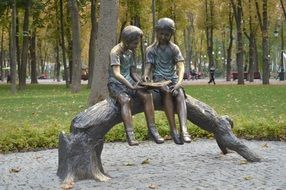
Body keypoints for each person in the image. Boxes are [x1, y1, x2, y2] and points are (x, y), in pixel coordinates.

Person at [108, 25, 164, 146]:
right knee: (125, 100)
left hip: (130, 82)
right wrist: (131, 87)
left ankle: (152, 130)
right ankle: (130, 134)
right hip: (116, 84)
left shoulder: (130, 52)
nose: (136, 46)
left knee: (147, 95)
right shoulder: (115, 52)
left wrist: (142, 81)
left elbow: (132, 72)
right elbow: (117, 74)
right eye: (135, 43)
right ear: (126, 41)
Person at [142, 17, 191, 145]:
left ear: (171, 35)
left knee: (179, 94)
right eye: (161, 34)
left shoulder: (174, 48)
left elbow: (180, 66)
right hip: (159, 79)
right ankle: (173, 130)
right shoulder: (151, 50)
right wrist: (145, 75)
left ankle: (184, 130)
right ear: (156, 32)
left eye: (167, 34)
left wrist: (179, 81)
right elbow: (148, 66)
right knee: (166, 92)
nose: (163, 37)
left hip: (172, 78)